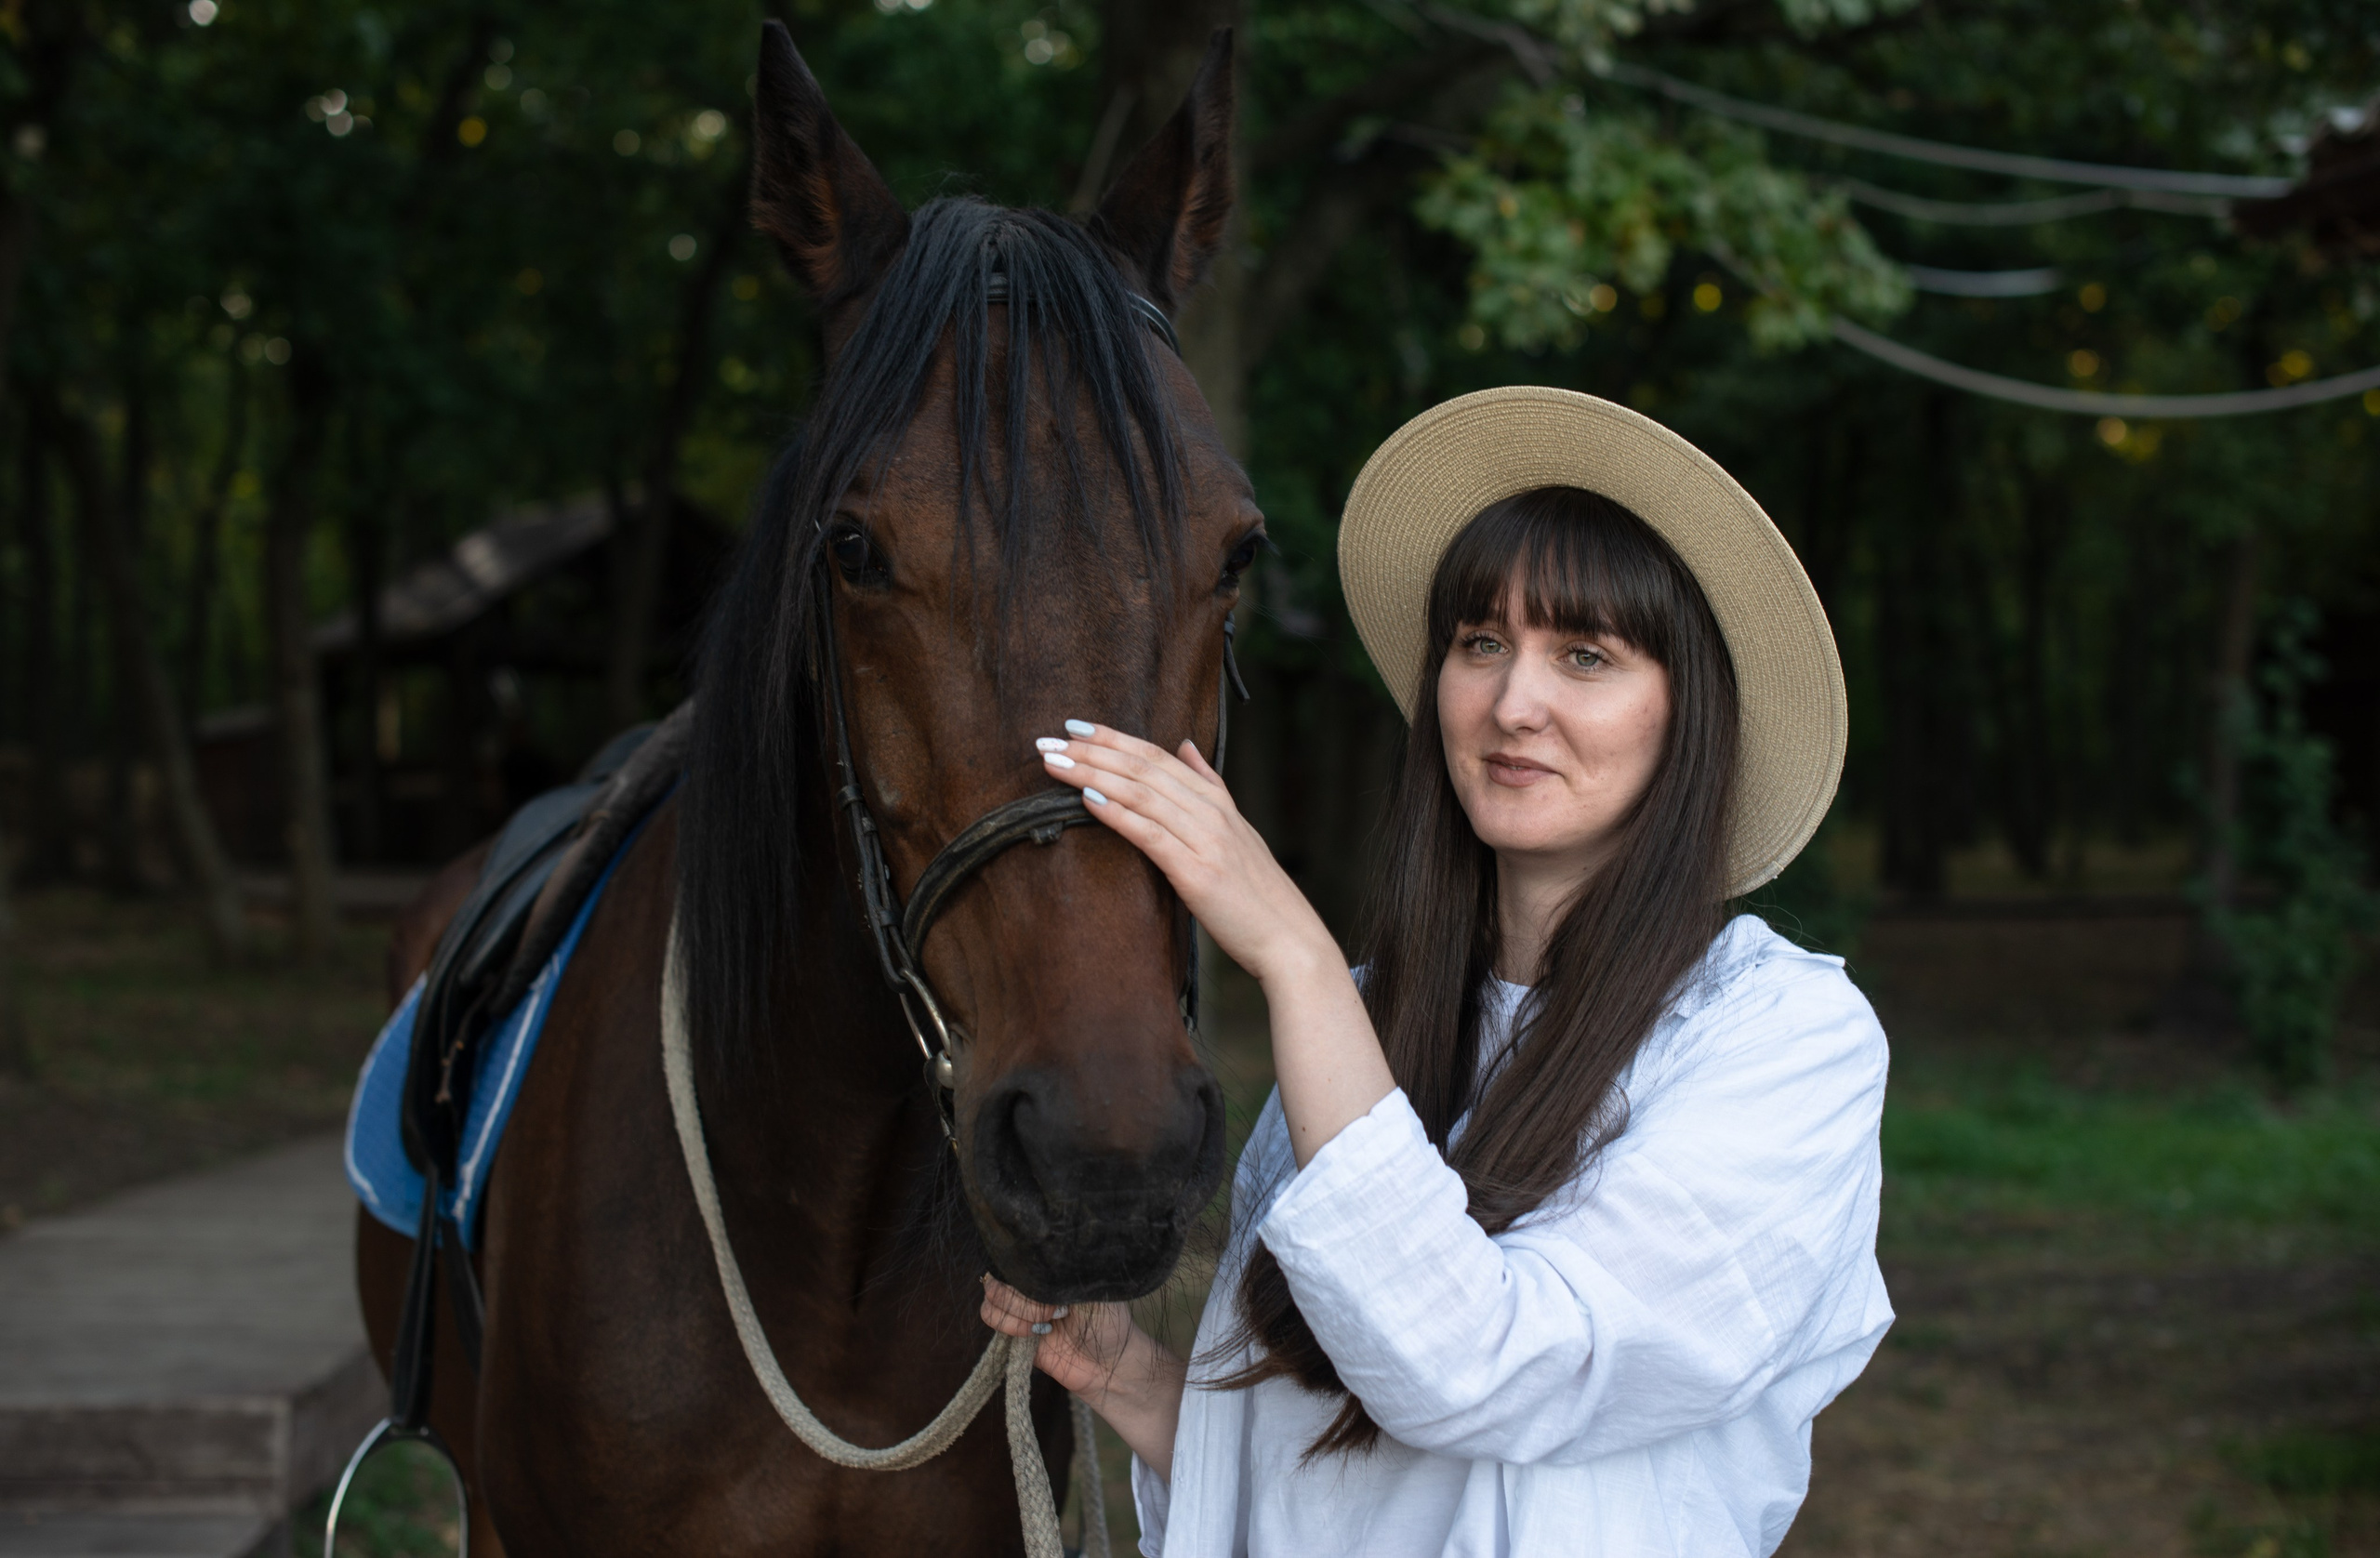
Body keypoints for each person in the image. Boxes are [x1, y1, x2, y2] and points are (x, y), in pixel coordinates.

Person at [983, 386, 1892, 1557]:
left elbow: (1486, 1372)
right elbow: (1311, 1483)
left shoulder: (1780, 1034)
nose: (1515, 703)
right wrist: (1120, 1369)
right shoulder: (1377, 1015)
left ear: (1689, 713)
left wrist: (1290, 955)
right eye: (1481, 643)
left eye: (1585, 654)